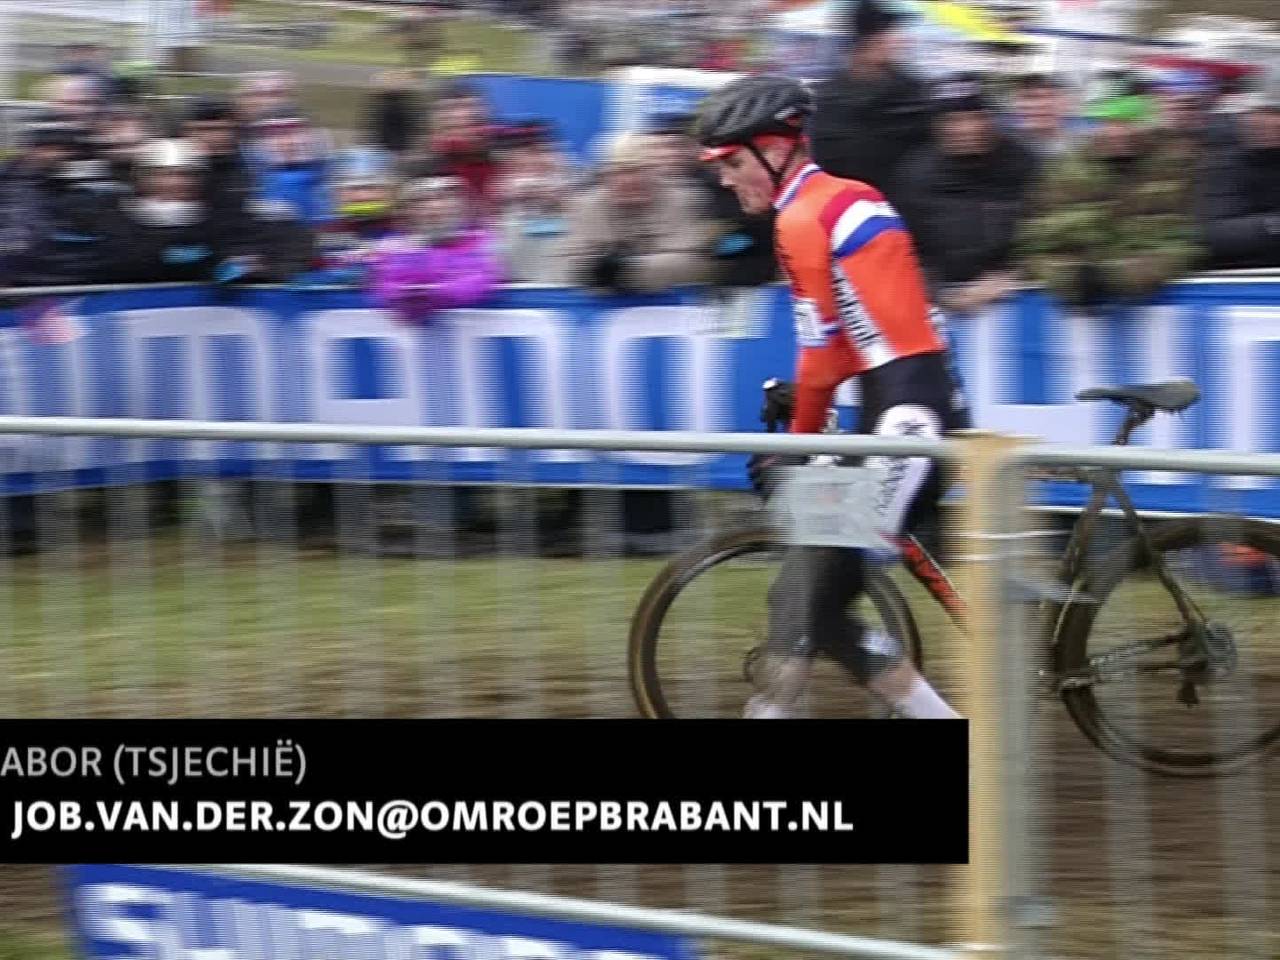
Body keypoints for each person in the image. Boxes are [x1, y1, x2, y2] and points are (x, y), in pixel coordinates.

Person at [695, 75, 966, 720]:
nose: (726, 181)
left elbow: (823, 355)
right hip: (901, 404)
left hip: (909, 414)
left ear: (775, 151)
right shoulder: (828, 203)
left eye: (732, 163)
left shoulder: (806, 215)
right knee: (808, 588)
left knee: (812, 588)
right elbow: (853, 342)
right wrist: (809, 418)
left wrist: (800, 444)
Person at [1017, 77, 1201, 311]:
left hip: (1150, 308)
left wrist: (1119, 277)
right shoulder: (1066, 169)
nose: (1116, 131)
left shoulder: (1175, 168)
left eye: (1127, 121)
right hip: (1077, 314)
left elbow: (1186, 243)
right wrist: (1069, 278)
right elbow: (1035, 245)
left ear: (1145, 121)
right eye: (1106, 121)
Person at [897, 73, 1038, 313]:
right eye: (953, 120)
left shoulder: (1023, 166)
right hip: (938, 311)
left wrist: (1011, 276)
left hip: (1015, 304)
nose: (965, 129)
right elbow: (901, 249)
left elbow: (1044, 238)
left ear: (989, 119)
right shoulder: (915, 174)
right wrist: (940, 293)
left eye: (973, 118)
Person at [808, 0, 933, 210]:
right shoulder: (828, 99)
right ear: (868, 41)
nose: (900, 40)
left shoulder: (914, 93)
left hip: (902, 214)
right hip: (846, 213)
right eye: (890, 32)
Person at [561, 132, 715, 294]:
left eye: (637, 170)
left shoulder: (683, 200)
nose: (629, 180)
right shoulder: (586, 206)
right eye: (619, 172)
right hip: (604, 306)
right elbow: (568, 263)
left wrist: (625, 269)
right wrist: (595, 270)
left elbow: (693, 262)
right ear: (603, 177)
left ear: (655, 172)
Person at [370, 176, 503, 323]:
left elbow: (483, 276)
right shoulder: (397, 246)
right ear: (411, 212)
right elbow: (384, 282)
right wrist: (402, 295)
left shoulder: (482, 241)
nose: (434, 205)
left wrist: (439, 293)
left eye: (442, 198)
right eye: (424, 201)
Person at [1195, 78, 1280, 270]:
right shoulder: (1223, 159)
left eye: (1275, 113)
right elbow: (1210, 234)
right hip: (1237, 275)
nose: (1269, 122)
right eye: (1261, 112)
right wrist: (1273, 225)